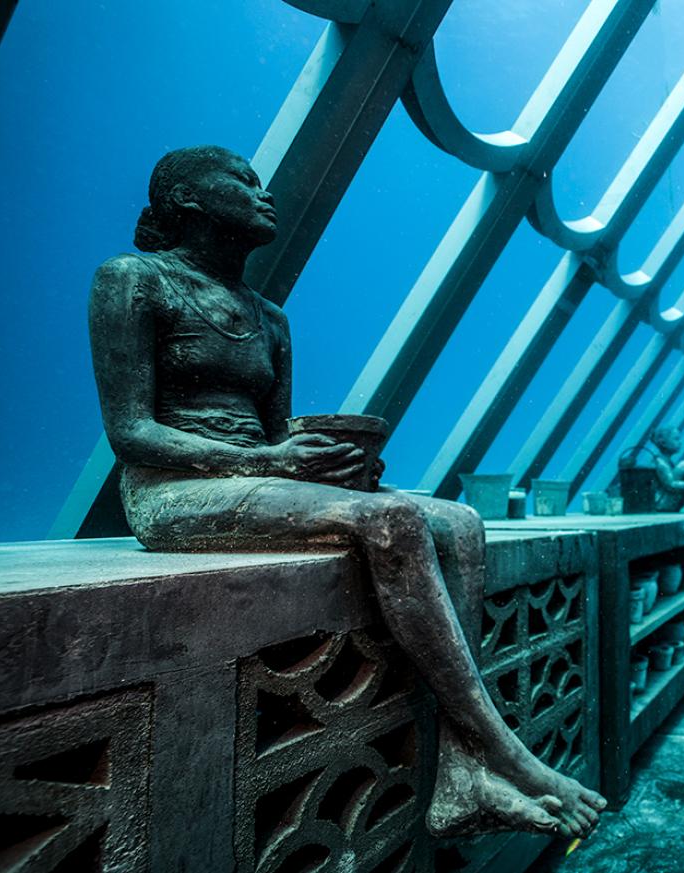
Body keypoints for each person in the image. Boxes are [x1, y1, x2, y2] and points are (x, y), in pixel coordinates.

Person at [88, 146, 603, 839]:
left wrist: (333, 468)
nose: (261, 190)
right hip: (172, 492)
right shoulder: (134, 279)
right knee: (389, 520)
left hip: (254, 478)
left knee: (459, 520)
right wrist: (267, 457)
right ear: (187, 200)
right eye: (241, 179)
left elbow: (280, 439)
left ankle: (459, 774)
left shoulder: (269, 316)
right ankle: (506, 753)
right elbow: (131, 433)